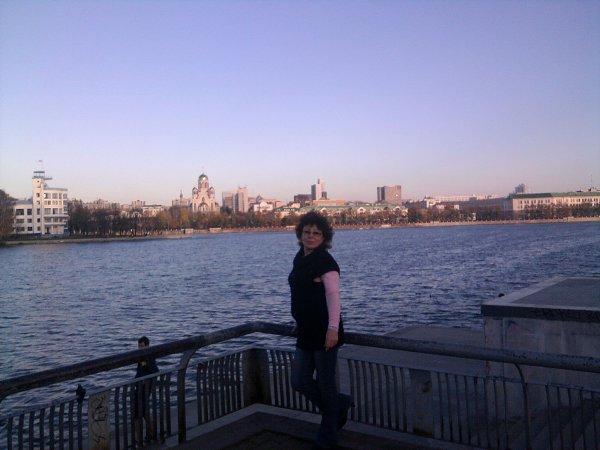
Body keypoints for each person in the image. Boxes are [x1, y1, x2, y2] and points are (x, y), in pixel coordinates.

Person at [289, 212, 353, 449]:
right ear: (300, 234)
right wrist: (299, 320)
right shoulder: (300, 258)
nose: (311, 236)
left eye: (316, 233)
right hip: (306, 331)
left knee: (326, 387)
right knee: (299, 380)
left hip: (326, 333)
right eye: (307, 232)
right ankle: (340, 404)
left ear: (324, 237)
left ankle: (327, 440)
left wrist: (333, 329)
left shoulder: (326, 262)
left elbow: (333, 297)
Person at [134, 336, 159, 445]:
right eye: (139, 346)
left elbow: (154, 370)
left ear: (148, 346)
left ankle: (142, 438)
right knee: (143, 412)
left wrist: (145, 380)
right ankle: (151, 434)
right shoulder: (143, 356)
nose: (140, 348)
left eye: (142, 346)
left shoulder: (147, 356)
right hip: (140, 387)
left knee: (140, 412)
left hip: (143, 388)